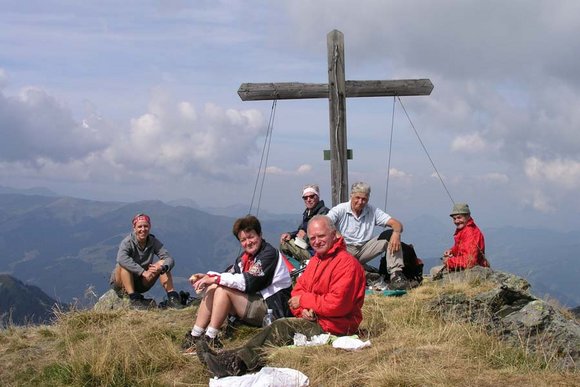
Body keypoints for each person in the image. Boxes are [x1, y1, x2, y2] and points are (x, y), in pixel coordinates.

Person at [195, 215, 366, 378]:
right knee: (277, 328)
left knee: (280, 327)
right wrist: (303, 310)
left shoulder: (346, 264)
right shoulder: (316, 261)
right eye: (312, 238)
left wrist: (305, 302)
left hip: (336, 326)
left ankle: (236, 364)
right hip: (316, 319)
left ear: (334, 234)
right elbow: (297, 292)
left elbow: (337, 305)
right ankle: (223, 356)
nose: (316, 242)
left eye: (321, 236)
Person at [181, 215, 293, 352]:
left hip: (273, 309)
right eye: (243, 240)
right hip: (257, 302)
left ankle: (210, 338)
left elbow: (249, 282)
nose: (248, 242)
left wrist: (216, 278)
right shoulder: (244, 258)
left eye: (251, 237)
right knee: (215, 286)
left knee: (223, 290)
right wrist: (208, 277)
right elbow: (228, 275)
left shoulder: (268, 254)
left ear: (260, 235)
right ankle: (195, 335)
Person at [326, 181, 409, 290]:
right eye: (357, 198)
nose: (360, 202)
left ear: (368, 199)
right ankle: (361, 274)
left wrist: (396, 233)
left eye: (364, 199)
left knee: (389, 236)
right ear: (351, 196)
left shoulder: (372, 210)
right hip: (344, 249)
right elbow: (325, 222)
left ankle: (396, 276)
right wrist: (337, 235)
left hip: (364, 249)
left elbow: (397, 224)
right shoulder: (340, 209)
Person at [110, 213, 182, 309]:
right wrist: (143, 272)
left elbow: (169, 258)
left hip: (141, 283)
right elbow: (121, 258)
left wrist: (162, 267)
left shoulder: (153, 241)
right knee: (123, 265)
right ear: (134, 228)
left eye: (145, 226)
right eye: (139, 226)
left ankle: (172, 298)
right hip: (121, 283)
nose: (143, 229)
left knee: (163, 263)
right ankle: (134, 299)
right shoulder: (127, 242)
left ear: (150, 227)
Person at [431, 203, 488, 277]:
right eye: (454, 219)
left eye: (459, 217)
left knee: (435, 272)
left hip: (473, 272)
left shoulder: (470, 233)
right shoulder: (464, 229)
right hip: (469, 269)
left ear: (467, 216)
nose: (456, 221)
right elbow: (462, 247)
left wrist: (448, 261)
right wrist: (451, 251)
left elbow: (469, 261)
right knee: (434, 271)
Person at [279, 184, 329, 263]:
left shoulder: (323, 213)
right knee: (284, 241)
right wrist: (290, 234)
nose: (308, 199)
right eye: (305, 198)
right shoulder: (308, 212)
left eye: (311, 196)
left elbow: (322, 238)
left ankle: (295, 269)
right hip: (307, 247)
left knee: (286, 245)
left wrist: (305, 237)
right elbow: (301, 230)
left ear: (318, 196)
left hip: (316, 253)